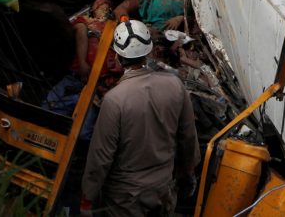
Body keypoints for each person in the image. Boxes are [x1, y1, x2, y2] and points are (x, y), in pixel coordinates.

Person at [82, 19, 200, 215]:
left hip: (126, 199)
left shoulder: (114, 100)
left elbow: (101, 157)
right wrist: (188, 173)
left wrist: (88, 197)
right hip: (163, 189)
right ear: (149, 51)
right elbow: (188, 137)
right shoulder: (175, 86)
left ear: (118, 56)